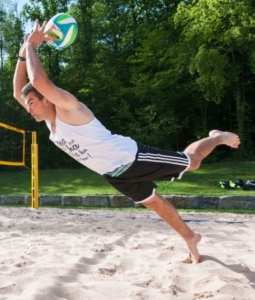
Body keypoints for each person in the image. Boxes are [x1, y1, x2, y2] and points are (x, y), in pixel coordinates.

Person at [13, 21, 241, 264]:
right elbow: (18, 92)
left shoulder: (69, 108)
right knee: (154, 202)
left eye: (32, 103)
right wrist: (22, 55)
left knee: (193, 163)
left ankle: (216, 137)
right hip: (114, 174)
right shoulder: (50, 123)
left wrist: (32, 44)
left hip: (132, 157)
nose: (28, 109)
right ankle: (191, 237)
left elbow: (38, 81)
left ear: (46, 100)